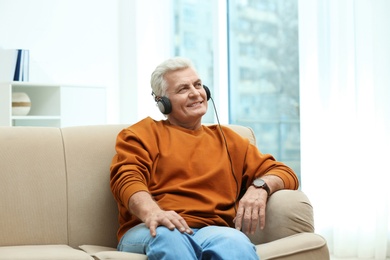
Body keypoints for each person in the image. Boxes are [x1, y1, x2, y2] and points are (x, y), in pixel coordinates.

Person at [110, 57, 299, 259]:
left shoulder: (231, 141)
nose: (195, 93)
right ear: (162, 102)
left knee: (235, 242)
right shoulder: (141, 134)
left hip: (213, 231)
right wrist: (152, 213)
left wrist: (260, 187)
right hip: (154, 227)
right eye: (183, 89)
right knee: (169, 235)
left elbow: (285, 173)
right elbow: (127, 178)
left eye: (198, 85)